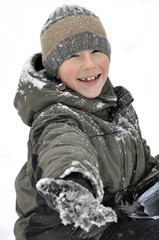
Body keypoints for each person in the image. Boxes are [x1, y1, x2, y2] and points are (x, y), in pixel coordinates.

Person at [13, 4, 159, 240]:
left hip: (115, 220)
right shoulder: (56, 118)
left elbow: (142, 171)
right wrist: (74, 187)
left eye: (96, 51)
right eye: (73, 55)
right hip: (69, 231)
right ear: (55, 70)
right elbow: (64, 149)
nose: (89, 64)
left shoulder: (115, 108)